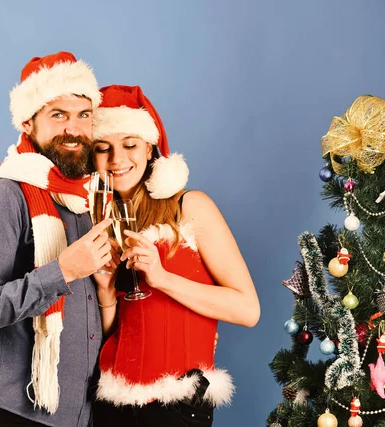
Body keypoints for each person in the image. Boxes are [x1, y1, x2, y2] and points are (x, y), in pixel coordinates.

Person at [0, 52, 112, 427]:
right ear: (27, 122)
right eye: (58, 115)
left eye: (83, 115)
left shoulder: (86, 198)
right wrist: (62, 270)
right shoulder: (5, 196)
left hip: (81, 415)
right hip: (19, 415)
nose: (74, 128)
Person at [90, 85, 261, 427]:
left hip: (176, 407)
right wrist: (107, 293)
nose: (117, 159)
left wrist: (163, 278)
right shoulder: (97, 220)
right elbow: (111, 333)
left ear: (150, 147)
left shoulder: (191, 207)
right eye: (103, 148)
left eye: (129, 144)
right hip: (110, 405)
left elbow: (247, 309)